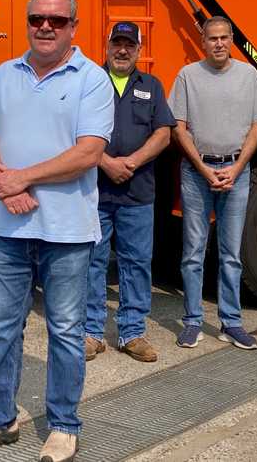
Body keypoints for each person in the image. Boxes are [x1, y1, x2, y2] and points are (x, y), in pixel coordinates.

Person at [0, 0, 114, 462]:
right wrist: (5, 181)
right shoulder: (5, 74)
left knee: (65, 330)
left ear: (73, 27)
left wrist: (21, 178)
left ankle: (64, 425)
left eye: (57, 20)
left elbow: (89, 152)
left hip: (67, 231)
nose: (45, 27)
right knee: (1, 328)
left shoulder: (92, 79)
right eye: (37, 19)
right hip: (8, 228)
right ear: (27, 22)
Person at [167, 16, 257, 350]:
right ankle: (193, 322)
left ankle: (232, 323)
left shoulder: (248, 75)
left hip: (236, 172)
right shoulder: (188, 76)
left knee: (231, 254)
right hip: (198, 173)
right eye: (212, 38)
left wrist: (237, 168)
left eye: (225, 37)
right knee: (193, 253)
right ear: (203, 41)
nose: (219, 44)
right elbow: (178, 128)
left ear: (232, 40)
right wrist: (203, 168)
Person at [85, 22, 176, 363]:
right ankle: (92, 333)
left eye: (129, 45)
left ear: (139, 50)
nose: (122, 50)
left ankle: (132, 332)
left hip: (137, 192)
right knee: (92, 262)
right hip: (94, 191)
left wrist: (131, 162)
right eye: (117, 43)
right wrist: (107, 163)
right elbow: (75, 131)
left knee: (136, 262)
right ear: (107, 46)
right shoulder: (91, 83)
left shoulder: (151, 86)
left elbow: (164, 134)